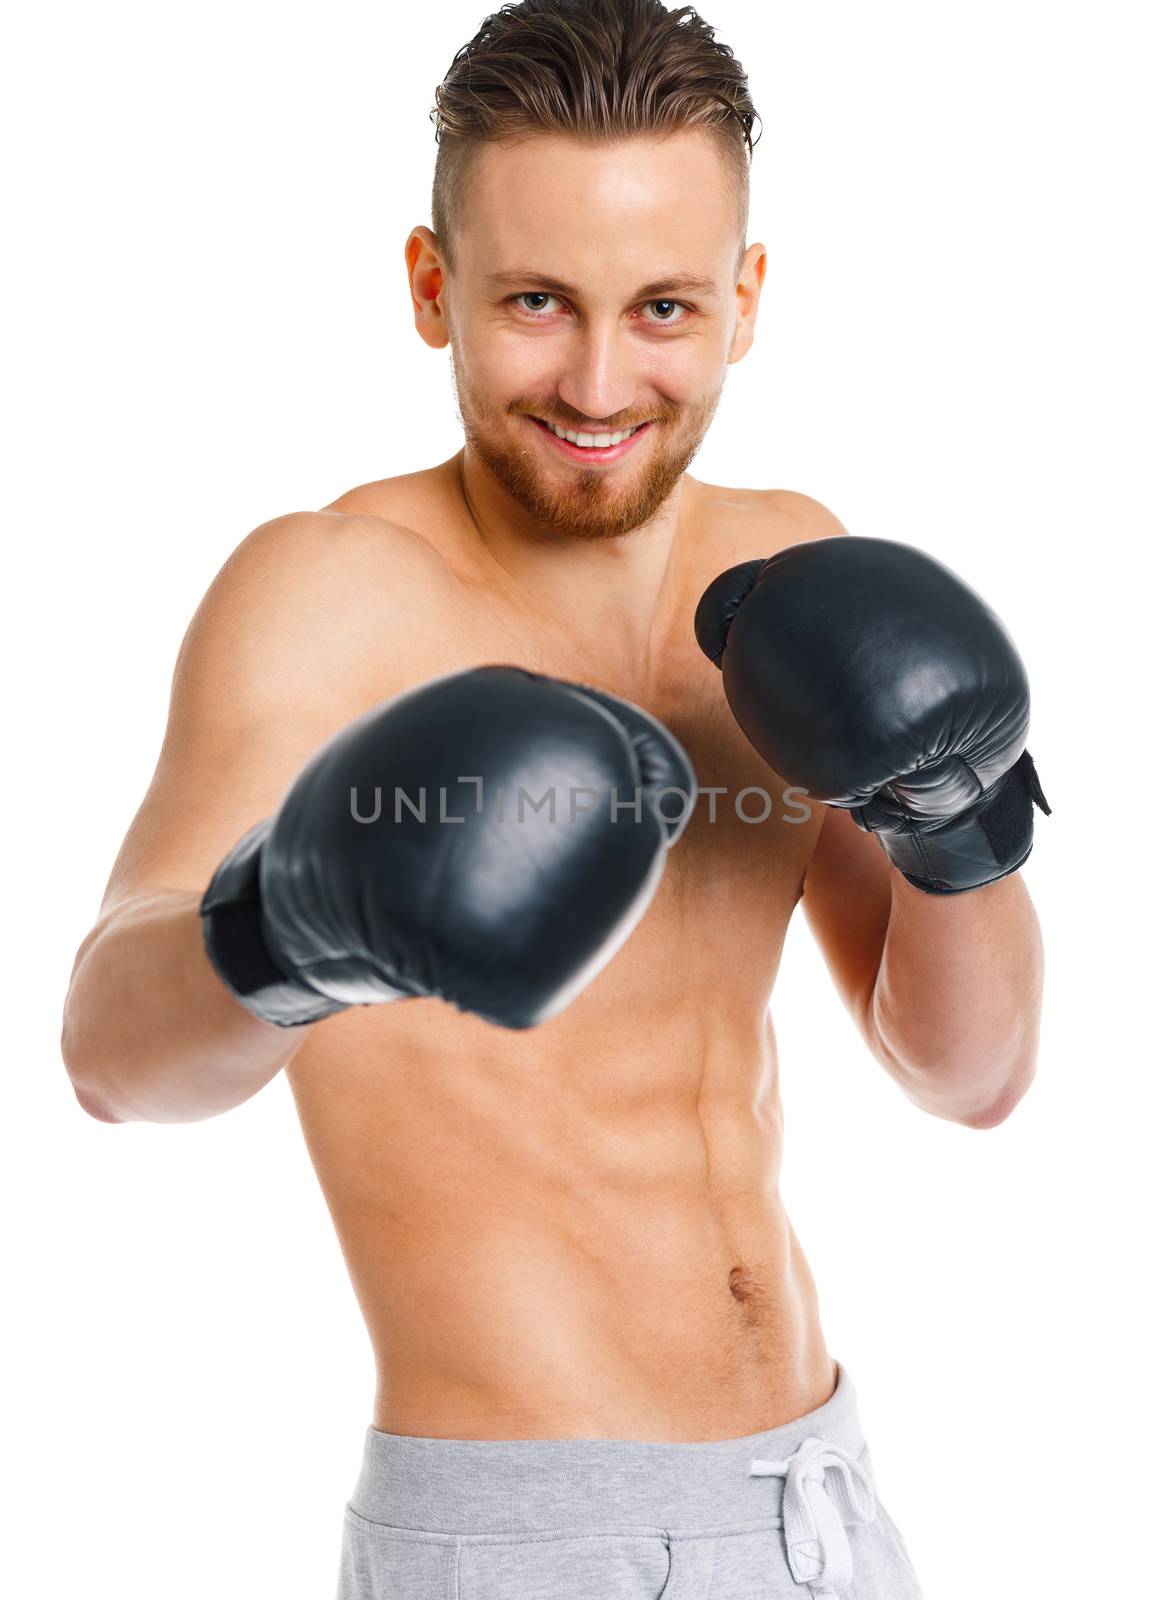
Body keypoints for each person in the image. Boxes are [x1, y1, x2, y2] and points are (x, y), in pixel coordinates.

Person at [60, 3, 1049, 1595]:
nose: (598, 380)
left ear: (745, 303)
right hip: (531, 1536)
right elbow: (110, 1057)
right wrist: (293, 925)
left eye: (662, 306)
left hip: (819, 1495)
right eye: (535, 301)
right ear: (429, 288)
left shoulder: (784, 565)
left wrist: (955, 818)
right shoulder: (327, 594)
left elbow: (974, 1076)